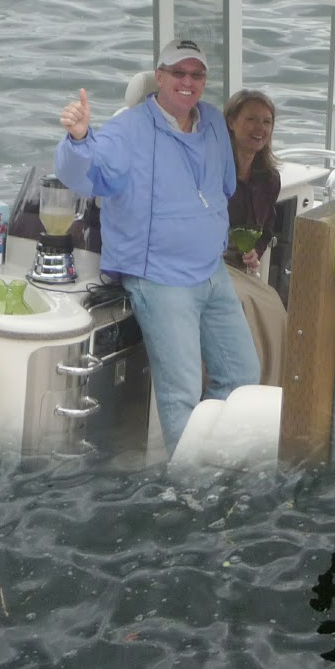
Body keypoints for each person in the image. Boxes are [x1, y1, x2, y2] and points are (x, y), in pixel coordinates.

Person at [54, 39, 260, 455]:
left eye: (196, 74)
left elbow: (225, 185)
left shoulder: (216, 122)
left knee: (242, 374)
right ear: (159, 76)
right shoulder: (127, 129)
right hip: (161, 279)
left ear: (205, 81)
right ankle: (190, 488)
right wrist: (78, 138)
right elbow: (84, 176)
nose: (187, 82)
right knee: (181, 393)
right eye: (178, 73)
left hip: (212, 272)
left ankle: (217, 460)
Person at [223, 89, 288, 388]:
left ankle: (273, 383)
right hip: (210, 261)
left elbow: (267, 227)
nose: (259, 128)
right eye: (251, 119)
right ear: (232, 122)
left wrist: (256, 251)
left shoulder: (268, 178)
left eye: (266, 121)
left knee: (273, 302)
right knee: (249, 303)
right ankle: (253, 384)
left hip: (241, 266)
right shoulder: (214, 170)